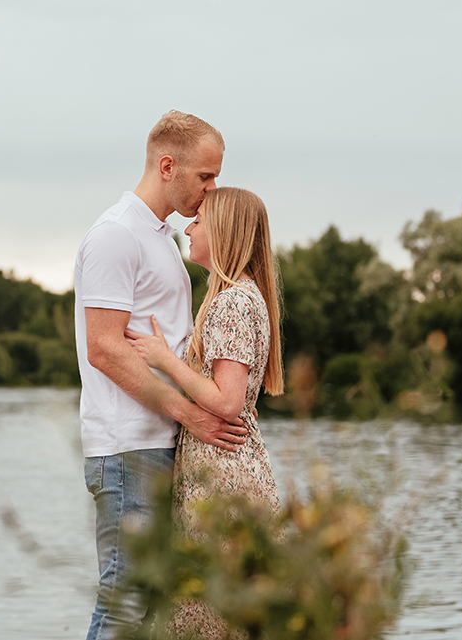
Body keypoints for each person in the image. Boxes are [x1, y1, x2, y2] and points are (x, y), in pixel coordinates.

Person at [75, 111, 249, 640]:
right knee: (125, 602)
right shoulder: (115, 235)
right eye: (205, 176)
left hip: (159, 443)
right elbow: (104, 349)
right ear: (167, 166)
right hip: (129, 447)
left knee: (153, 609)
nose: (212, 189)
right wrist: (190, 413)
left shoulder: (162, 239)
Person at [125, 186, 285, 639]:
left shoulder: (233, 302)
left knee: (212, 612)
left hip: (225, 474)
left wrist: (164, 358)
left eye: (199, 221)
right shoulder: (238, 297)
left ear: (226, 232)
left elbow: (227, 400)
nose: (188, 227)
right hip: (222, 466)